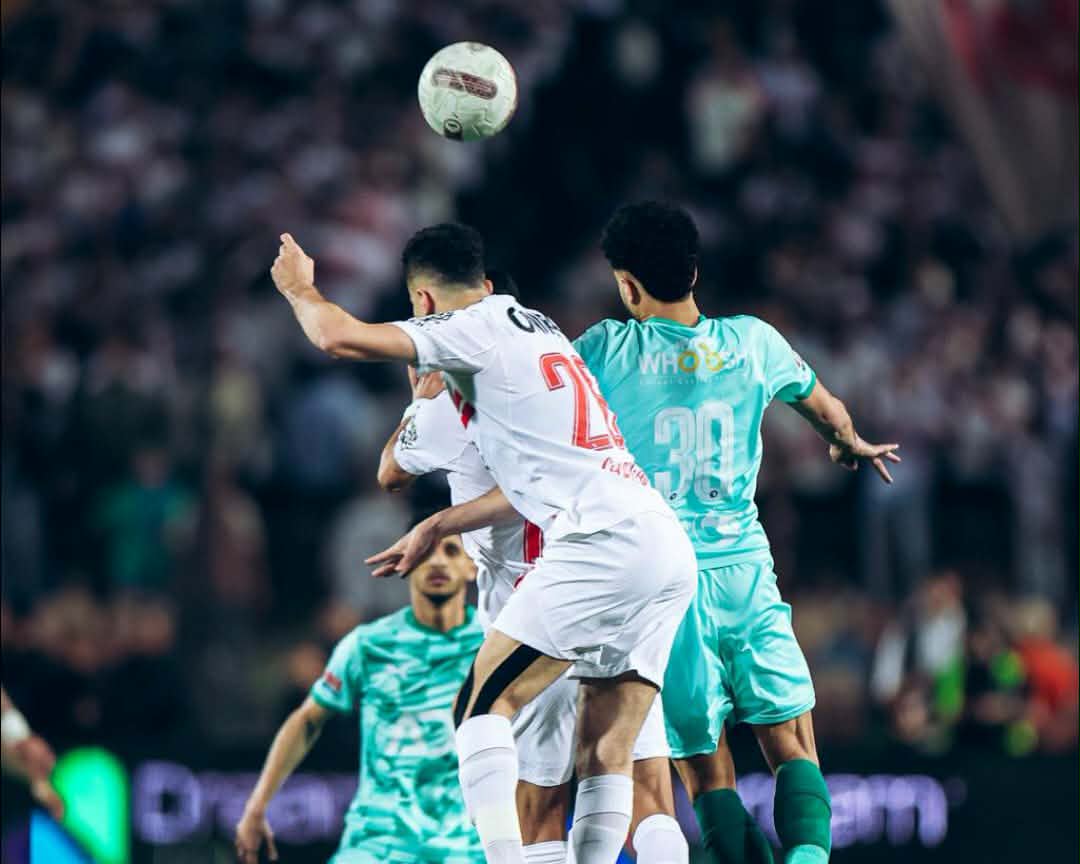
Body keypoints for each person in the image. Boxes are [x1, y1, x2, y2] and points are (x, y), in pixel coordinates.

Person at [272, 225, 697, 864]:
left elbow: (339, 342)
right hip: (659, 541)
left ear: (423, 302)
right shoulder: (543, 330)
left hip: (586, 555)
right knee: (615, 754)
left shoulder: (471, 331)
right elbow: (527, 479)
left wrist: (300, 290)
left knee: (479, 709)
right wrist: (441, 524)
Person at [573, 201, 902, 864]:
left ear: (627, 285)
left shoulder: (605, 350)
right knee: (793, 745)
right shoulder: (754, 342)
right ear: (694, 271)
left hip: (663, 586)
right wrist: (847, 443)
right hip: (744, 573)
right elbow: (828, 409)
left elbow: (539, 395)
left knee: (705, 771)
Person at [376, 270, 688, 864]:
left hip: (538, 600)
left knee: (534, 801)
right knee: (641, 778)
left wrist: (419, 399)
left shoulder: (458, 391)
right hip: (623, 574)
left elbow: (390, 471)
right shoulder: (564, 386)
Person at [234, 534, 485, 863]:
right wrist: (257, 805)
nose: (437, 562)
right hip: (378, 842)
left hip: (464, 844)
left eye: (451, 551)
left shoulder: (493, 642)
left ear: (472, 567)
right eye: (424, 553)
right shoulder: (367, 644)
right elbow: (307, 720)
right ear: (405, 564)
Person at [1, 685, 64, 820]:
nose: (45, 750)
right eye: (47, 753)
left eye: (43, 761)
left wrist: (37, 782)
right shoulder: (16, 731)